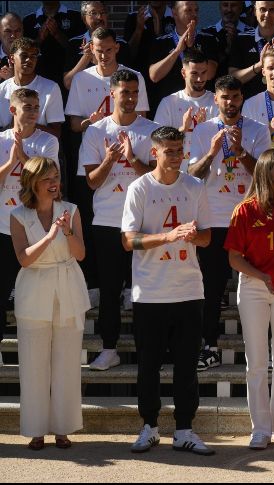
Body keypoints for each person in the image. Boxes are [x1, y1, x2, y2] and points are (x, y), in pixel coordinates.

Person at [122, 126, 214, 455]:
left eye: (180, 150)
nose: (176, 157)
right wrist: (169, 237)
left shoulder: (195, 185)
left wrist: (192, 237)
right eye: (169, 151)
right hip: (150, 292)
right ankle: (149, 427)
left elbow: (207, 237)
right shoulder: (139, 188)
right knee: (148, 364)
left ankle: (185, 429)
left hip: (189, 289)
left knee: (187, 365)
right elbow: (128, 240)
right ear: (154, 153)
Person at [188, 75, 270, 372]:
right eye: (225, 98)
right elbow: (193, 174)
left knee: (256, 284)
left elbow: (265, 173)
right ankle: (208, 346)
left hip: (249, 218)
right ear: (216, 100)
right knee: (211, 287)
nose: (230, 103)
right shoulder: (202, 131)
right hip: (214, 218)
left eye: (235, 97)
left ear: (242, 99)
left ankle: (262, 349)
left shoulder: (258, 130)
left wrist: (241, 153)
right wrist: (211, 153)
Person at [79, 69, 159, 371]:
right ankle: (109, 347)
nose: (130, 98)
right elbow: (91, 182)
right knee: (111, 290)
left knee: (144, 289)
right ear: (112, 93)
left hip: (143, 221)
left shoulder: (151, 129)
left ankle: (148, 350)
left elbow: (157, 178)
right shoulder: (96, 131)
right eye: (124, 92)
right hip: (108, 221)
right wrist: (110, 160)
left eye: (134, 92)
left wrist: (133, 158)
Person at [225, 148, 274, 449]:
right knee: (256, 361)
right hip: (255, 288)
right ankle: (260, 427)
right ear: (266, 172)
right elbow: (234, 258)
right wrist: (263, 276)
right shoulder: (245, 210)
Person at [10, 156, 89, 450]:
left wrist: (66, 231)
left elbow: (80, 254)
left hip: (67, 288)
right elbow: (24, 259)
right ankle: (36, 429)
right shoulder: (18, 215)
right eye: (47, 178)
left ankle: (63, 429)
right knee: (33, 364)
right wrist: (51, 235)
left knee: (67, 362)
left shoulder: (71, 210)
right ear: (33, 183)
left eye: (55, 176)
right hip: (33, 291)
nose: (54, 183)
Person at [0, 88, 59, 368]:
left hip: (36, 228)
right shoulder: (0, 141)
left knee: (37, 296)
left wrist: (23, 158)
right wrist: (10, 162)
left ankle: (42, 354)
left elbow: (49, 183)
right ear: (13, 110)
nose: (34, 112)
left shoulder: (48, 142)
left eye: (37, 107)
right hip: (3, 227)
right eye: (28, 107)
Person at [65, 28, 150, 133]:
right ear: (91, 48)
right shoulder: (79, 79)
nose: (104, 56)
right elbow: (74, 125)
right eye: (99, 51)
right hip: (93, 146)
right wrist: (91, 122)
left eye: (108, 50)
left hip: (125, 144)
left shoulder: (135, 77)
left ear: (117, 47)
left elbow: (142, 120)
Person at [154, 49, 219, 173]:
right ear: (184, 73)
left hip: (209, 175)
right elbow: (157, 143)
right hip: (176, 175)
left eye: (204, 72)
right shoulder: (168, 103)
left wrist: (203, 128)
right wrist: (183, 129)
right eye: (194, 73)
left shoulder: (216, 101)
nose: (200, 78)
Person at [148, 1, 219, 114]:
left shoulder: (208, 39)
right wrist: (177, 51)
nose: (194, 14)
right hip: (171, 106)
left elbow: (210, 74)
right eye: (188, 10)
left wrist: (191, 48)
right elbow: (154, 76)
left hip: (203, 106)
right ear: (174, 13)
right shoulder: (161, 42)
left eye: (196, 10)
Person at [229, 1, 274, 99]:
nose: (267, 14)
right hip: (251, 106)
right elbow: (233, 79)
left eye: (272, 10)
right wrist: (260, 65)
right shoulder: (241, 39)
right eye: (263, 9)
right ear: (255, 11)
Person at [0, 37, 64, 138]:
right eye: (24, 55)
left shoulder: (51, 88)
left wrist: (26, 123)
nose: (29, 60)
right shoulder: (1, 89)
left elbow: (56, 133)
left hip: (39, 150)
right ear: (12, 58)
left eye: (33, 56)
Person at [63, 1, 129, 88]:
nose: (99, 17)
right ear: (84, 18)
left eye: (102, 12)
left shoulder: (120, 44)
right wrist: (86, 57)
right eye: (93, 13)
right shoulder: (73, 43)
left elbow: (128, 80)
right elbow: (68, 84)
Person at [22, 1, 86, 85]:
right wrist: (40, 38)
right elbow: (25, 52)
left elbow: (79, 51)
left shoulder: (76, 17)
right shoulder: (28, 20)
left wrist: (57, 34)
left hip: (67, 78)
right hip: (38, 79)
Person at [202, 1, 249, 80]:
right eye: (225, 5)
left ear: (241, 8)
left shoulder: (252, 33)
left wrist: (236, 43)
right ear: (220, 7)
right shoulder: (206, 33)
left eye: (233, 5)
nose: (229, 9)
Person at [123, 1, 175, 70]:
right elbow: (128, 54)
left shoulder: (176, 17)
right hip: (140, 74)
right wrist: (139, 29)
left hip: (168, 73)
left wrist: (158, 33)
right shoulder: (133, 17)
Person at [0, 13, 24, 81]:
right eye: (8, 31)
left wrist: (13, 81)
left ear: (23, 32)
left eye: (17, 31)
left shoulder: (32, 58)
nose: (13, 35)